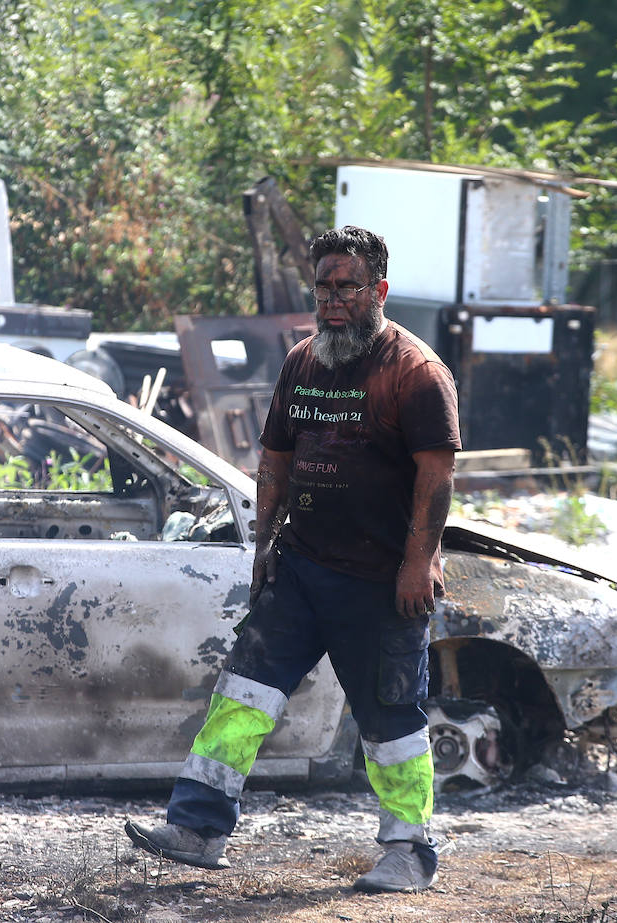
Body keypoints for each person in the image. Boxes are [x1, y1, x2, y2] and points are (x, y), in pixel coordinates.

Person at [125, 225, 460, 893]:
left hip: (381, 581)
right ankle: (197, 827)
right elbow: (275, 461)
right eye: (324, 287)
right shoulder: (303, 362)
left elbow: (438, 474)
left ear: (379, 290)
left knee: (391, 717)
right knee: (243, 693)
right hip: (301, 570)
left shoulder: (415, 372)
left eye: (347, 287)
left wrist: (418, 561)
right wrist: (263, 544)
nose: (333, 300)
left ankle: (408, 850)